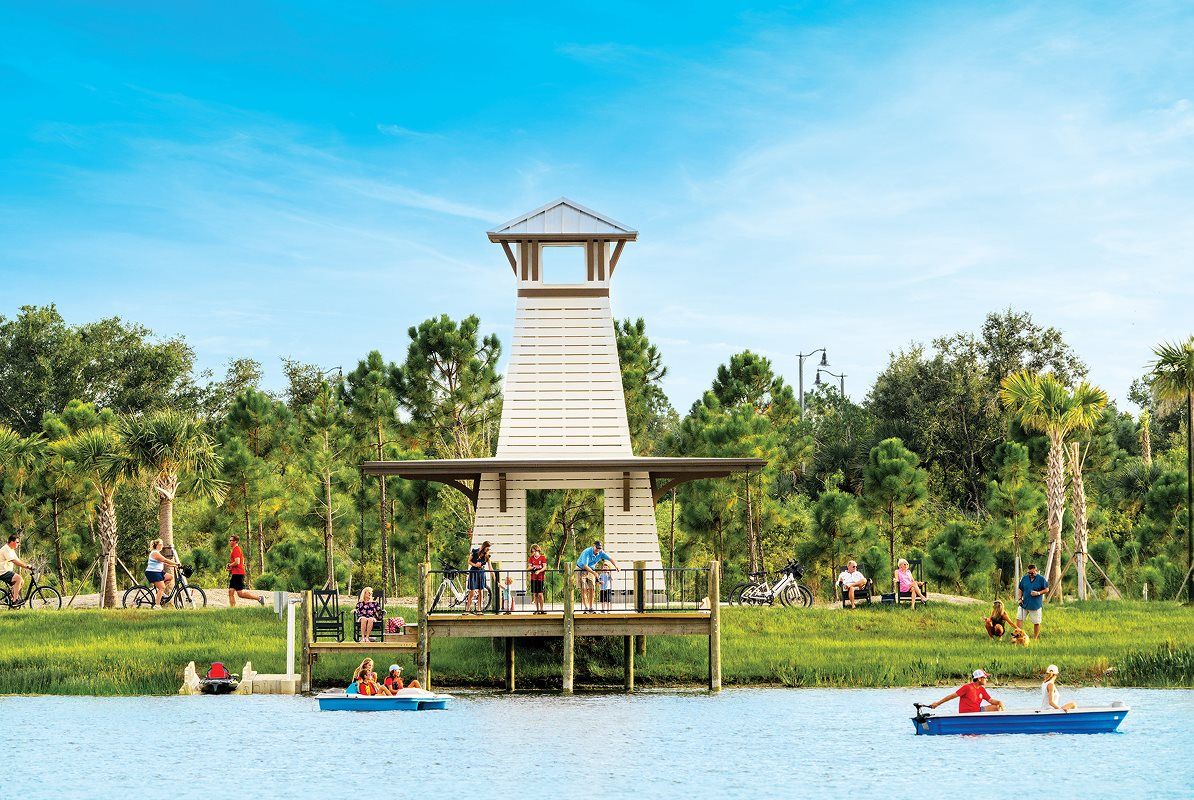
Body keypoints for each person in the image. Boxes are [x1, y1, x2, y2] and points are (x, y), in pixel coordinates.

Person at [928, 669, 1005, 713]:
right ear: (979, 679)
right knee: (996, 708)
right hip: (966, 714)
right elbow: (951, 696)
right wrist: (937, 704)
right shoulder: (967, 687)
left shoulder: (982, 689)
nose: (987, 679)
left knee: (997, 707)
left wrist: (999, 702)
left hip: (977, 712)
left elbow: (991, 700)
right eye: (985, 677)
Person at [576, 541, 618, 613]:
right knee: (584, 589)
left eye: (599, 548)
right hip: (581, 569)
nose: (598, 550)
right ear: (593, 546)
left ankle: (591, 607)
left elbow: (610, 559)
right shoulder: (587, 552)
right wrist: (594, 573)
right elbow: (585, 565)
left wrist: (616, 566)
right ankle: (586, 608)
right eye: (597, 548)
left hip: (591, 570)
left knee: (592, 588)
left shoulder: (601, 552)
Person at [227, 535, 266, 607]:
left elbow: (237, 562)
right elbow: (241, 561)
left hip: (238, 574)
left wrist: (230, 565)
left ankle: (259, 598)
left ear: (235, 541)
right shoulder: (236, 549)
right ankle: (232, 609)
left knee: (240, 594)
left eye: (231, 540)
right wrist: (231, 567)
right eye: (229, 540)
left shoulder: (236, 549)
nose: (229, 542)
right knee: (230, 592)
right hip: (236, 573)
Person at [145, 538, 182, 607]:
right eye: (160, 544)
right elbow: (164, 560)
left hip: (158, 572)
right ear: (156, 545)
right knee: (162, 588)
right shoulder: (155, 553)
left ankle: (160, 593)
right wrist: (176, 563)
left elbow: (164, 563)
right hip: (152, 572)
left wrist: (174, 565)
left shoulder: (157, 553)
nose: (162, 546)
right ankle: (157, 605)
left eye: (162, 544)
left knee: (170, 577)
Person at [1016, 563, 1049, 640]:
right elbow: (1020, 589)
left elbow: (1047, 589)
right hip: (1024, 603)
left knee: (1036, 622)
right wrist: (1020, 599)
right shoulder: (1024, 578)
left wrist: (1038, 593)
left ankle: (1035, 638)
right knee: (1019, 618)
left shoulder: (1041, 579)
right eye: (1029, 573)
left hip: (1035, 605)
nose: (1031, 574)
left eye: (1032, 573)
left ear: (1036, 571)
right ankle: (1018, 636)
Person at [0, 534, 32, 604]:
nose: (19, 544)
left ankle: (9, 599)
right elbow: (14, 561)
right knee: (19, 579)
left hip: (6, 571)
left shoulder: (11, 550)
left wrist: (26, 566)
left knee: (21, 582)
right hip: (2, 572)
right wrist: (25, 566)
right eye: (17, 542)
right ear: (12, 542)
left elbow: (18, 560)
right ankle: (15, 601)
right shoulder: (6, 549)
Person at [466, 540, 492, 615]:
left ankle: (479, 610)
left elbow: (490, 567)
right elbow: (469, 561)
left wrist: (494, 577)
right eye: (487, 548)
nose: (488, 550)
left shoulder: (487, 556)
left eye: (489, 549)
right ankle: (467, 610)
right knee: (472, 592)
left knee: (481, 591)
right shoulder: (475, 551)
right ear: (484, 547)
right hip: (473, 572)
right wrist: (475, 565)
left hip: (481, 573)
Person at [528, 543, 547, 614]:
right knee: (535, 594)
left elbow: (545, 567)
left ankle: (542, 609)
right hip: (533, 578)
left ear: (537, 550)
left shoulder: (542, 557)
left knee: (540, 594)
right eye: (532, 552)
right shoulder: (531, 558)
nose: (533, 553)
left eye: (534, 551)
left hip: (540, 578)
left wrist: (539, 571)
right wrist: (533, 567)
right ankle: (537, 609)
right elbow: (529, 567)